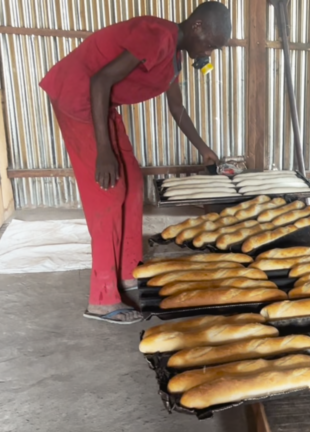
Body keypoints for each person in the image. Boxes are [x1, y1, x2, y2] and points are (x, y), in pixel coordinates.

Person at [39, 2, 231, 324]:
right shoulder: (158, 36)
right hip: (78, 95)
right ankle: (102, 298)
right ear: (197, 26)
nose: (208, 53)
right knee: (109, 192)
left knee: (133, 184)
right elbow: (99, 80)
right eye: (210, 44)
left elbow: (177, 109)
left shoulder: (174, 58)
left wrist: (205, 150)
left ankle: (129, 274)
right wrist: (103, 150)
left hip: (101, 104)